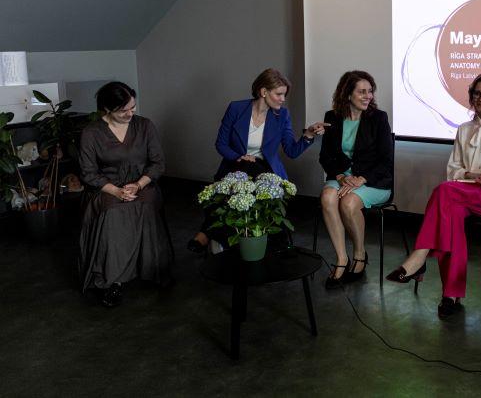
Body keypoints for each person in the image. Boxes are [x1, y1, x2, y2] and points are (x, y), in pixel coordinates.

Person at [386, 72, 481, 318]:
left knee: (444, 191)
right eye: (477, 93)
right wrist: (472, 175)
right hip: (462, 193)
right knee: (451, 216)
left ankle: (419, 256)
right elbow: (453, 170)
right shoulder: (464, 129)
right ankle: (450, 295)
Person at [188, 68, 327, 252]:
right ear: (263, 92)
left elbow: (291, 151)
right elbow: (221, 144)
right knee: (243, 170)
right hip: (235, 165)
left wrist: (308, 135)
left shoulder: (282, 115)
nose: (282, 99)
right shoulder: (236, 108)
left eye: (284, 95)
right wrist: (238, 156)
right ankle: (279, 241)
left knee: (253, 169)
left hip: (264, 169)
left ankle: (207, 234)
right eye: (279, 94)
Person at [78, 82, 171, 307]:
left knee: (146, 205)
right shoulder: (91, 133)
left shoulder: (145, 126)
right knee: (112, 212)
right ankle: (113, 281)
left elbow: (158, 163)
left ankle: (153, 269)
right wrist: (116, 190)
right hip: (107, 187)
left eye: (133, 108)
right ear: (107, 110)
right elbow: (88, 173)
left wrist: (138, 185)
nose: (130, 114)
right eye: (123, 111)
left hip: (142, 184)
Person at [319, 70, 392, 288]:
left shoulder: (379, 118)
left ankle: (360, 254)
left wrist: (362, 179)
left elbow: (386, 160)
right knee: (327, 197)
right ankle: (342, 259)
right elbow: (325, 156)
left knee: (348, 203)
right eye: (362, 92)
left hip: (373, 181)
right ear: (348, 94)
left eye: (370, 91)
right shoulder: (332, 117)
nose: (368, 96)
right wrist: (341, 176)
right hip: (342, 177)